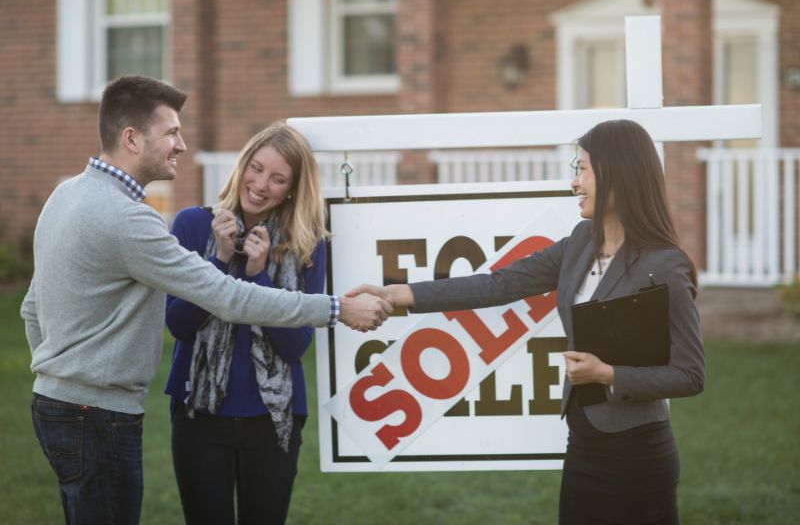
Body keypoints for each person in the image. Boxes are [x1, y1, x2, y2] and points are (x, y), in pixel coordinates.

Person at [20, 75, 390, 525]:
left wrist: (56, 376)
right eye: (172, 133)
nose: (182, 144)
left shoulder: (66, 194)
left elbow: (31, 307)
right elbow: (214, 304)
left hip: (65, 405)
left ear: (293, 187)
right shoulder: (137, 220)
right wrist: (336, 308)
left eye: (278, 178)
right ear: (132, 138)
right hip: (107, 411)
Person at [351, 119, 705, 525]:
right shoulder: (579, 244)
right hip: (584, 445)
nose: (574, 182)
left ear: (617, 173)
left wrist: (608, 374)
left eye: (582, 169)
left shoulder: (664, 265)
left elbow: (690, 375)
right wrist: (398, 295)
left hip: (639, 455)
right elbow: (497, 284)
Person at [164, 123, 327, 524]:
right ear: (242, 166)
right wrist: (219, 262)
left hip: (273, 416)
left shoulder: (306, 242)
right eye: (256, 168)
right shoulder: (192, 225)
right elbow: (178, 325)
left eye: (278, 179)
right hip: (198, 413)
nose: (260, 185)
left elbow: (294, 347)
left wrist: (258, 275)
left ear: (292, 189)